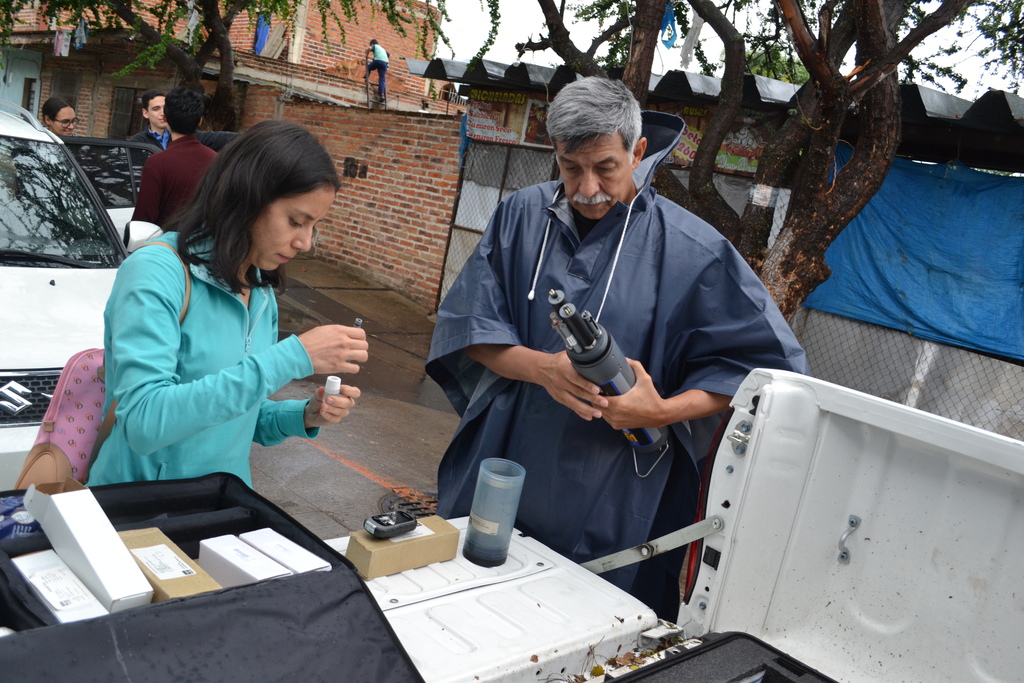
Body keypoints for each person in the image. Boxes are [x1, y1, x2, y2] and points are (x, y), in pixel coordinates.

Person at [426, 78, 808, 620]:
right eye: (569, 166)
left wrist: (662, 410)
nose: (586, 188)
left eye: (605, 166)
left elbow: (766, 374)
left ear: (638, 151)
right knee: (469, 610)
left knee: (584, 630)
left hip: (615, 490)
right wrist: (543, 370)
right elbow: (470, 328)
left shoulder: (692, 251)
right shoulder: (520, 216)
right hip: (503, 460)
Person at [89, 120, 368, 486]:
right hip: (139, 515)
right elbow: (144, 422)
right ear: (246, 198)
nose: (305, 242)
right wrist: (291, 357)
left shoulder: (259, 290)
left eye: (313, 226)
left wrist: (304, 415)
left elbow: (236, 415)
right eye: (296, 221)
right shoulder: (158, 271)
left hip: (218, 509)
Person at [132, 86, 217, 226]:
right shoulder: (215, 160)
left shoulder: (156, 162)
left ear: (166, 118)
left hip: (164, 243)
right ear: (200, 121)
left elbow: (143, 221)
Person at [130, 88, 240, 151]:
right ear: (145, 113)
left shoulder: (189, 136)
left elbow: (227, 138)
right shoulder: (137, 142)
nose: (162, 113)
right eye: (155, 109)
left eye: (165, 108)